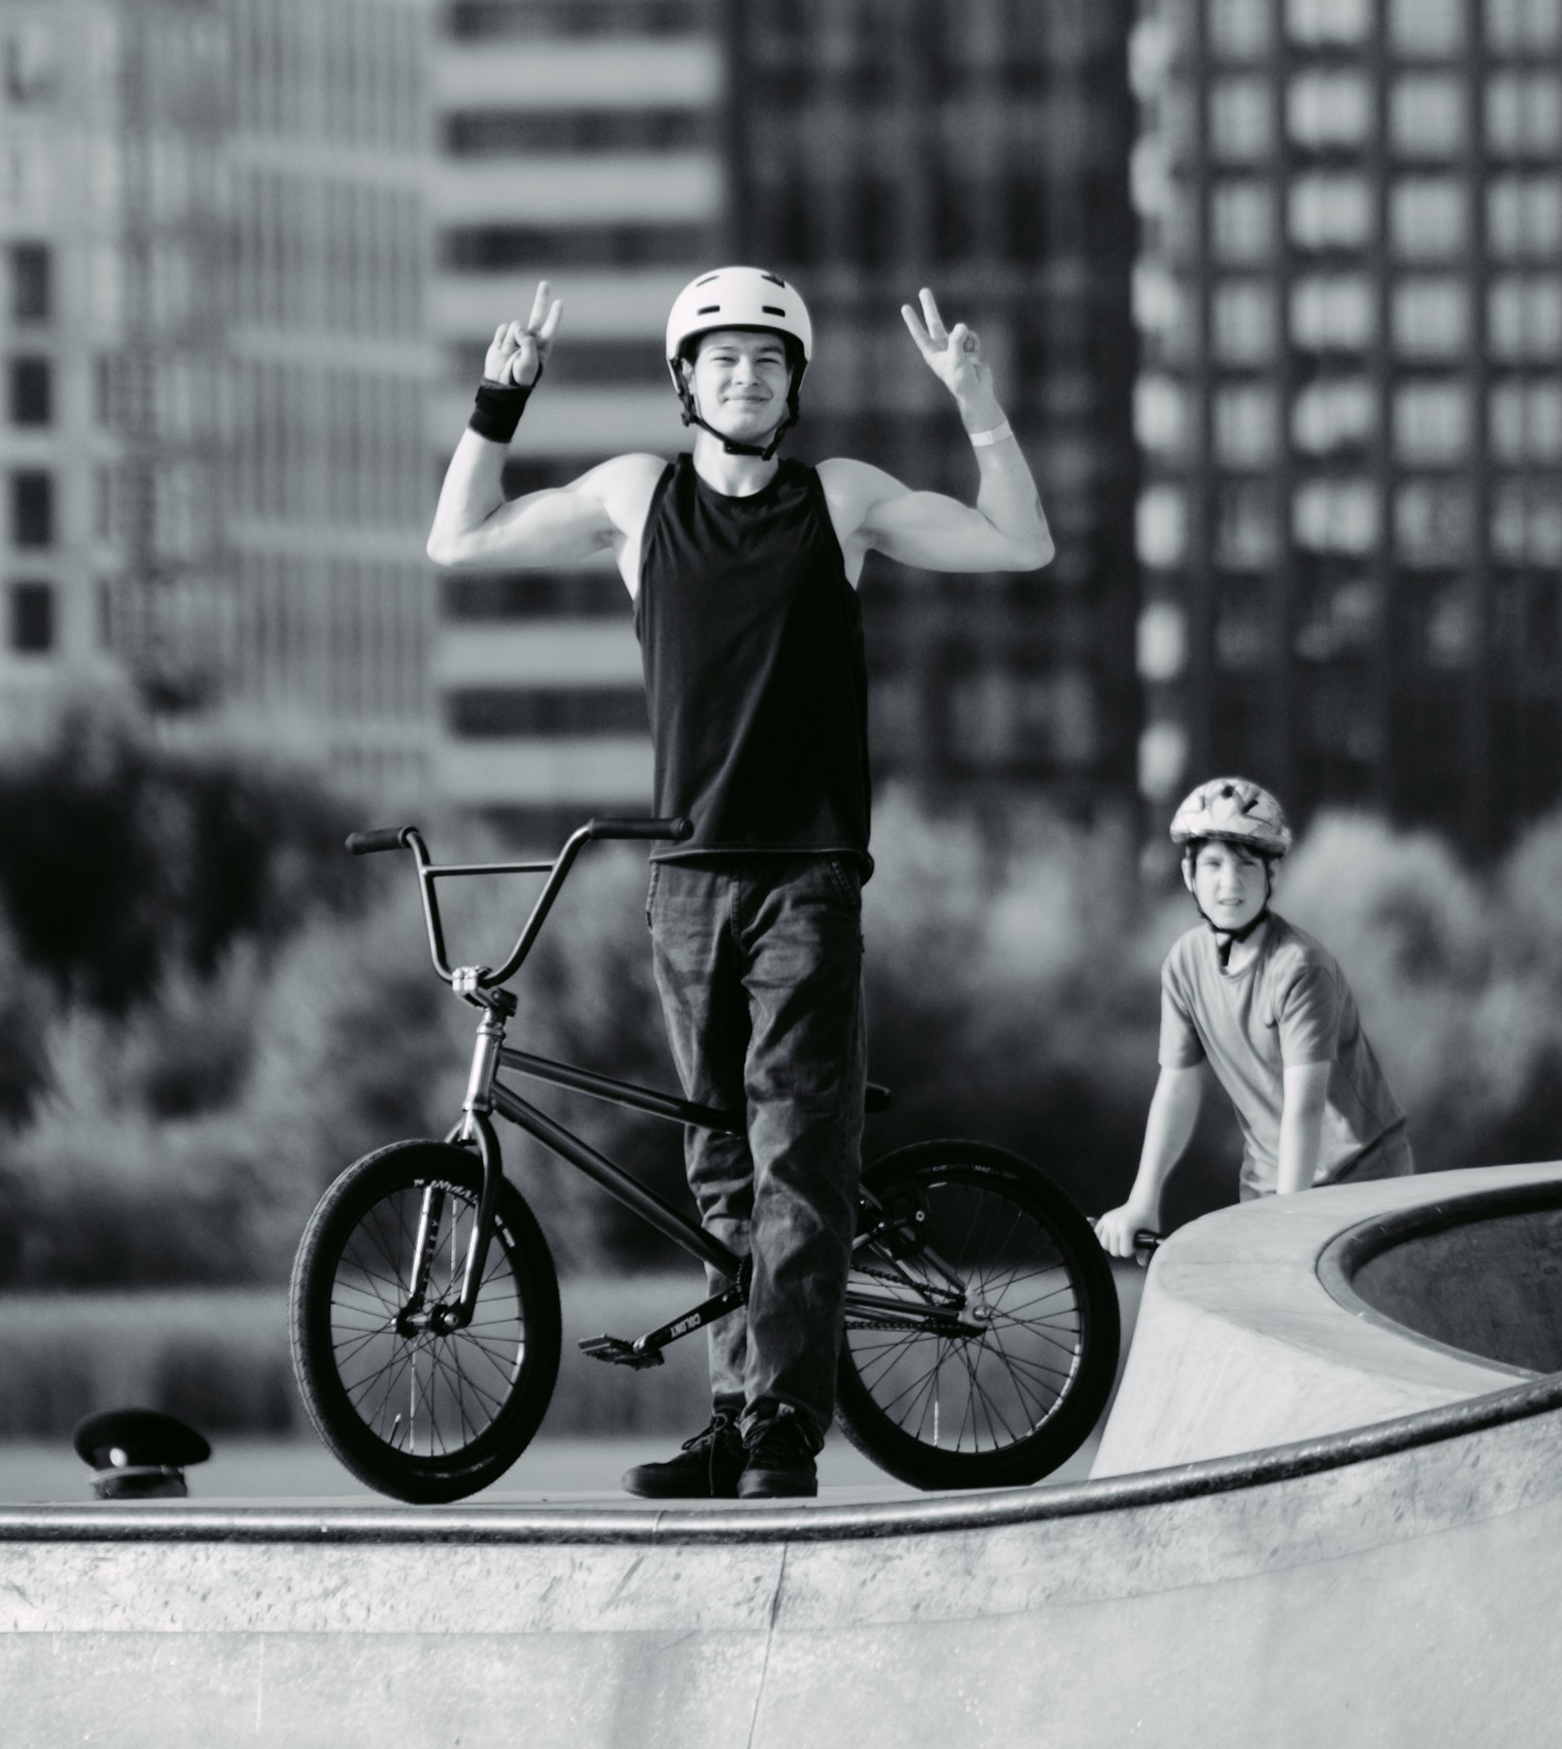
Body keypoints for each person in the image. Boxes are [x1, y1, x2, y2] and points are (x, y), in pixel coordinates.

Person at [427, 269, 1054, 1498]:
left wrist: (976, 401)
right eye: (723, 359)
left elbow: (1020, 543)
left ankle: (783, 1433)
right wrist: (499, 403)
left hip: (807, 876)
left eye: (769, 361)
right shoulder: (638, 496)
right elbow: (458, 539)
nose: (747, 376)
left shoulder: (841, 500)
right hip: (685, 880)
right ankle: (734, 1415)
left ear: (795, 386)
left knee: (794, 1157)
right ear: (684, 381)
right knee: (719, 1170)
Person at [1093, 776, 1412, 1262]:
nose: (1230, 882)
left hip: (1361, 1182)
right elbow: (1177, 1088)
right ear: (1189, 874)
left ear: (1271, 876)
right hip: (1268, 1185)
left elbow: (1304, 1106)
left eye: (1246, 864)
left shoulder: (1300, 968)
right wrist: (1143, 1199)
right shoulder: (1184, 964)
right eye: (1213, 864)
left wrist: (1287, 1218)